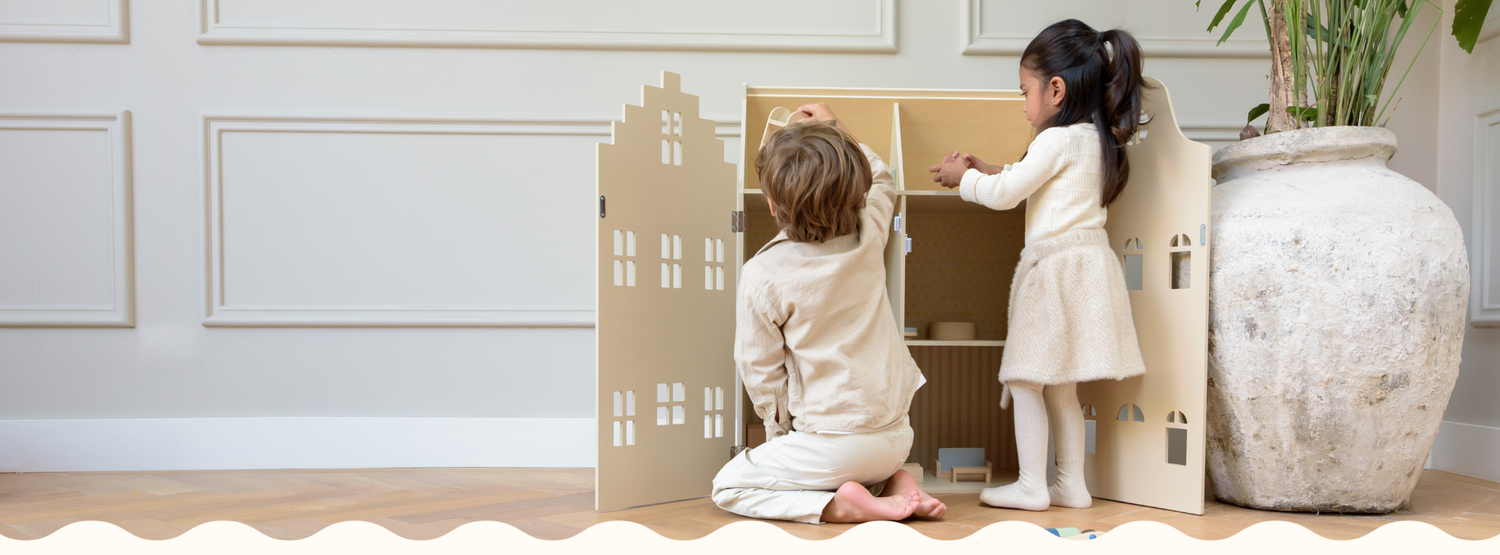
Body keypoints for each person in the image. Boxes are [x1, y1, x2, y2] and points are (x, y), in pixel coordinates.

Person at [927, 19, 1149, 511]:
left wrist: (965, 179)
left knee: (1025, 377)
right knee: (1061, 387)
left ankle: (1031, 484)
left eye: (1024, 91)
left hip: (1052, 274)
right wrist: (989, 168)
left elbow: (1008, 195)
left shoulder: (1056, 140)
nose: (1024, 105)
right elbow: (1033, 180)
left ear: (1055, 89)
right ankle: (1071, 484)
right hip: (1086, 270)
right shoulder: (1096, 139)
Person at [710, 103, 945, 524]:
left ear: (771, 204)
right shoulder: (869, 234)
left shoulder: (763, 273)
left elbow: (759, 371)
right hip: (897, 436)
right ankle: (895, 483)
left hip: (836, 445)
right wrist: (834, 126)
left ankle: (842, 505)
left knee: (728, 486)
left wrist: (780, 436)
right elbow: (883, 177)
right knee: (847, 462)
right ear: (856, 193)